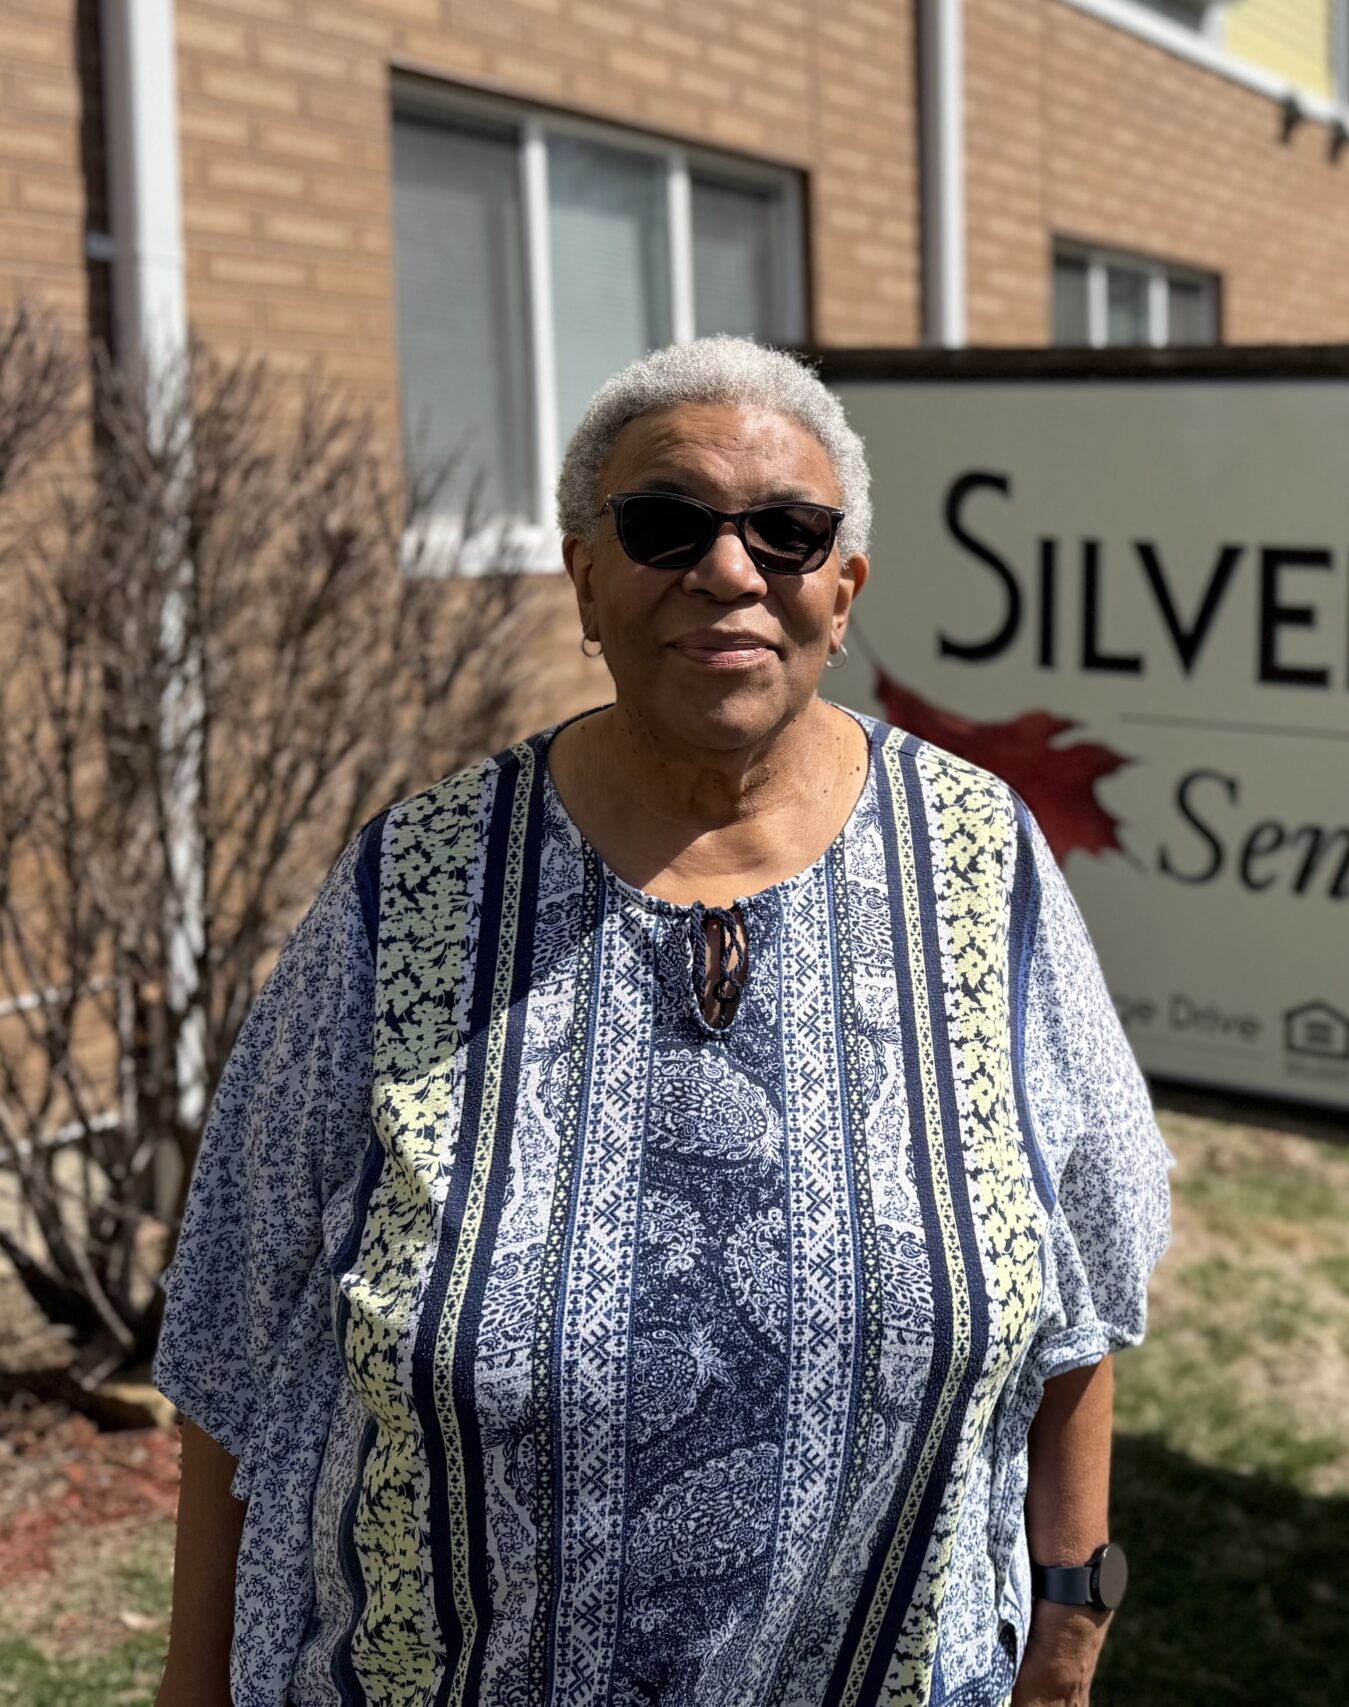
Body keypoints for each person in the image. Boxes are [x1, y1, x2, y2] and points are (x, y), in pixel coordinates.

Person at [152, 336, 1173, 1707]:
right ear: (586, 575)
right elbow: (239, 1309)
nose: (730, 570)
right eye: (666, 523)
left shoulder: (979, 860)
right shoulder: (418, 884)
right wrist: (193, 1682)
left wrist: (1064, 1640)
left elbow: (1080, 1288)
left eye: (789, 533)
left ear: (845, 588)